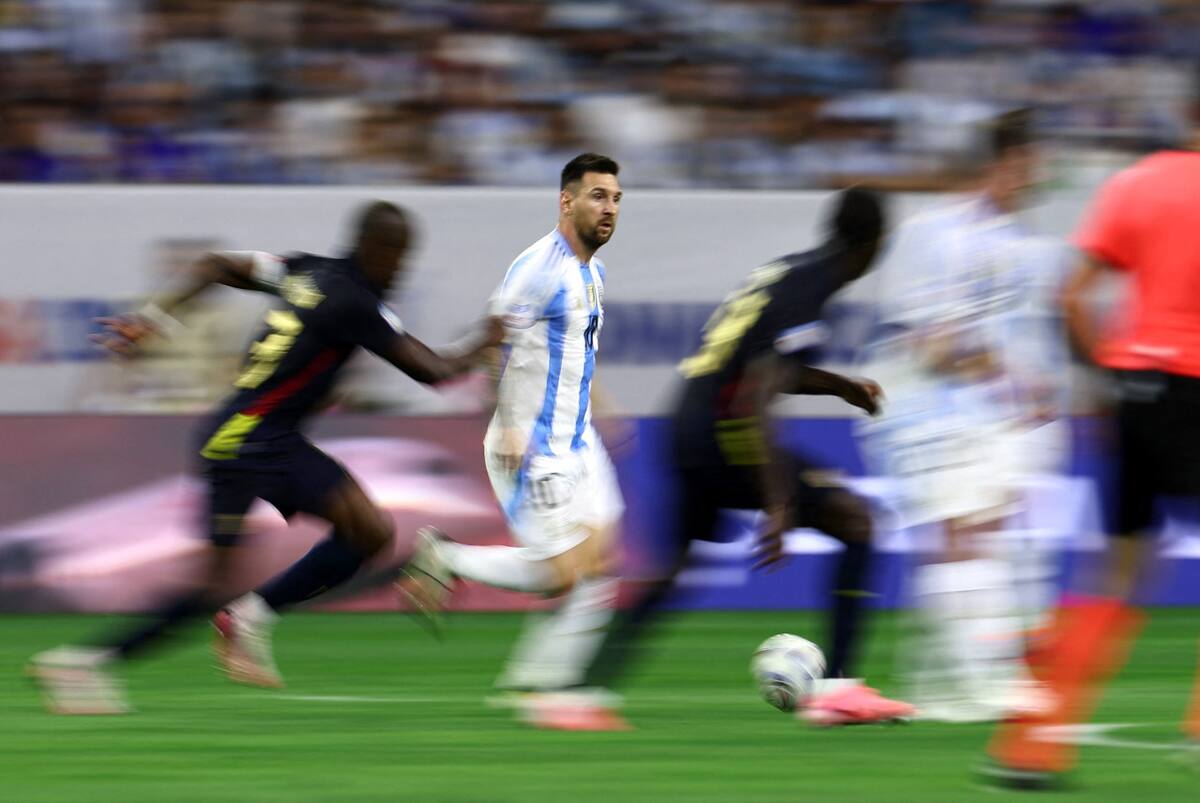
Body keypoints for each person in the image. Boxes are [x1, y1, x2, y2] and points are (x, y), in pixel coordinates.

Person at [29, 201, 502, 713]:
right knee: (350, 538)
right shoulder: (357, 302)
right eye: (398, 256)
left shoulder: (302, 271)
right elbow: (434, 370)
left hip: (243, 434)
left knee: (340, 539)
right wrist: (491, 335)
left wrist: (151, 316)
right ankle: (207, 628)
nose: (401, 269)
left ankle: (102, 658)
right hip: (256, 439)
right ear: (377, 249)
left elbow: (216, 265)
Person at [565, 188, 914, 728]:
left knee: (673, 572)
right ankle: (839, 691)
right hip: (723, 434)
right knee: (856, 519)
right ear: (876, 245)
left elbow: (765, 366)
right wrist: (778, 505)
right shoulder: (814, 288)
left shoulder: (791, 272)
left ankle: (579, 695)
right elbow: (756, 392)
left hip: (686, 424)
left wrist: (840, 387)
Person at [984, 135, 1200, 789]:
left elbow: (1068, 296)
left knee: (1114, 575)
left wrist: (1102, 385)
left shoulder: (1133, 183)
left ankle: (1028, 748)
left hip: (1134, 387)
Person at [400, 153, 627, 729]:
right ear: (566, 200)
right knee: (559, 575)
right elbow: (495, 342)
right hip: (532, 444)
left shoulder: (592, 273)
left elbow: (575, 354)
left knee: (600, 564)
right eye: (597, 196)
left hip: (578, 440)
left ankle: (546, 687)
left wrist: (604, 409)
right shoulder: (538, 268)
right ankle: (444, 555)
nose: (609, 208)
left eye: (616, 198)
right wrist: (503, 421)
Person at [858, 112, 1067, 722]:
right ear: (1006, 162)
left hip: (985, 414)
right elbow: (930, 338)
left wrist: (1030, 389)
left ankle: (951, 678)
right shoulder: (937, 234)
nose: (1038, 177)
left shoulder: (1019, 243)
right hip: (928, 410)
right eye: (1031, 163)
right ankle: (986, 681)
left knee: (981, 535)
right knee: (963, 534)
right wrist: (1011, 378)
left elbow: (1010, 334)